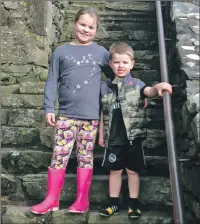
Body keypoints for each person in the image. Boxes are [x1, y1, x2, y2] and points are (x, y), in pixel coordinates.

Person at [30, 7, 114, 215]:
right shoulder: (61, 51)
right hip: (66, 115)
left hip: (91, 117)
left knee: (85, 157)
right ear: (74, 23)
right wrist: (50, 107)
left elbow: (116, 76)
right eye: (82, 24)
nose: (86, 29)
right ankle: (52, 199)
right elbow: (51, 81)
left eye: (91, 27)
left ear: (96, 29)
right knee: (59, 156)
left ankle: (82, 200)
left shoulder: (102, 53)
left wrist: (133, 93)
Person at [98, 42, 172, 219]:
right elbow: (102, 113)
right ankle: (113, 204)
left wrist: (158, 87)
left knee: (132, 171)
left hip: (133, 138)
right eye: (117, 62)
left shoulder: (137, 84)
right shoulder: (104, 87)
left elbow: (149, 91)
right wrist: (101, 135)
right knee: (114, 171)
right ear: (111, 64)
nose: (120, 66)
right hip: (113, 139)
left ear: (132, 64)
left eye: (125, 62)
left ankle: (133, 204)